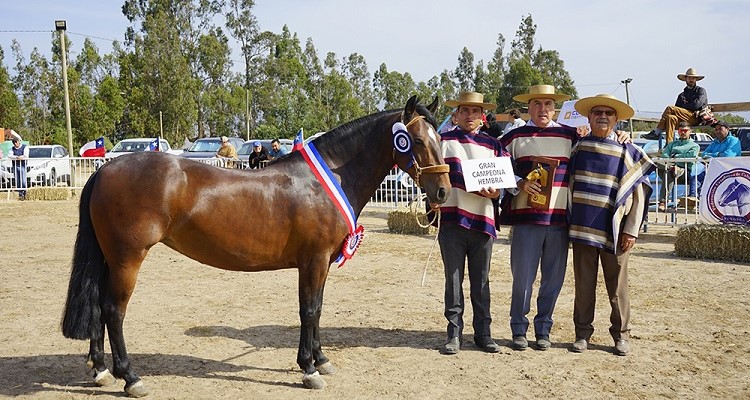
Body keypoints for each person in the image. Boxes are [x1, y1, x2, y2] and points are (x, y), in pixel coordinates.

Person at [568, 94, 654, 356]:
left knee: (617, 287)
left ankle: (621, 335)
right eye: (597, 112)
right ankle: (582, 334)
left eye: (608, 113)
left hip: (616, 231)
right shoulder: (577, 147)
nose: (602, 116)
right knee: (584, 286)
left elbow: (638, 194)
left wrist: (631, 229)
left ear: (616, 119)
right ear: (588, 117)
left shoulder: (628, 151)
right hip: (583, 229)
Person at [498, 84, 576, 351]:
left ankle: (544, 328)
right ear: (528, 107)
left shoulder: (571, 136)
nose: (543, 109)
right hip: (526, 220)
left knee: (553, 279)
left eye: (548, 105)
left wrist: (620, 134)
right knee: (522, 278)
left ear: (555, 108)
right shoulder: (513, 137)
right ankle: (518, 328)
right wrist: (518, 183)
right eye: (537, 104)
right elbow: (496, 166)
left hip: (558, 221)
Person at [434, 91, 507, 355]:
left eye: (475, 111)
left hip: (483, 221)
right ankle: (453, 334)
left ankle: (483, 334)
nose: (470, 116)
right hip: (452, 219)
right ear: (456, 114)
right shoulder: (443, 142)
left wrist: (496, 192)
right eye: (465, 110)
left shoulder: (495, 145)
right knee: (453, 281)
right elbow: (431, 176)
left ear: (483, 116)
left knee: (482, 281)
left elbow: (504, 181)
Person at [646, 67, 709, 145]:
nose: (691, 80)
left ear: (696, 79)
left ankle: (656, 132)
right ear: (686, 79)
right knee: (671, 117)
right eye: (689, 78)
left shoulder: (700, 91)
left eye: (693, 78)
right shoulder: (682, 95)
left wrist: (684, 105)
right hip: (683, 119)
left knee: (670, 108)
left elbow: (696, 105)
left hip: (695, 118)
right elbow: (676, 110)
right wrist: (684, 107)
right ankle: (669, 145)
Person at [656, 121, 700, 211]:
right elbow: (664, 156)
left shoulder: (694, 146)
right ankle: (671, 168)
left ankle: (663, 202)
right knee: (656, 163)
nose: (683, 132)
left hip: (685, 172)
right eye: (680, 131)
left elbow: (690, 156)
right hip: (670, 169)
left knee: (669, 172)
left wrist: (675, 157)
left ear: (690, 131)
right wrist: (674, 162)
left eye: (685, 130)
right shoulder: (672, 144)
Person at [694, 120, 742, 195]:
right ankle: (693, 199)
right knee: (695, 176)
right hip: (713, 170)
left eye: (720, 129)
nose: (718, 131)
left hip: (729, 171)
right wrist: (719, 154)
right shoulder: (714, 142)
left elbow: (728, 156)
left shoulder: (734, 141)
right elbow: (704, 154)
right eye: (716, 129)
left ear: (727, 129)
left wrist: (713, 155)